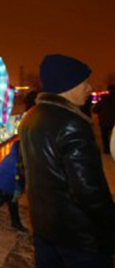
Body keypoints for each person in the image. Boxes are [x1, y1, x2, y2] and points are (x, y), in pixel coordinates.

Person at [19, 54, 115, 268]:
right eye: (85, 82)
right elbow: (88, 190)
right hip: (80, 238)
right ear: (68, 85)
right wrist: (110, 223)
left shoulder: (31, 117)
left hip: (45, 229)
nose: (89, 88)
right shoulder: (71, 123)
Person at [93, 84, 115, 154]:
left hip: (104, 121)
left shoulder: (103, 100)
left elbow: (95, 110)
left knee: (105, 136)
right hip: (113, 121)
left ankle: (107, 149)